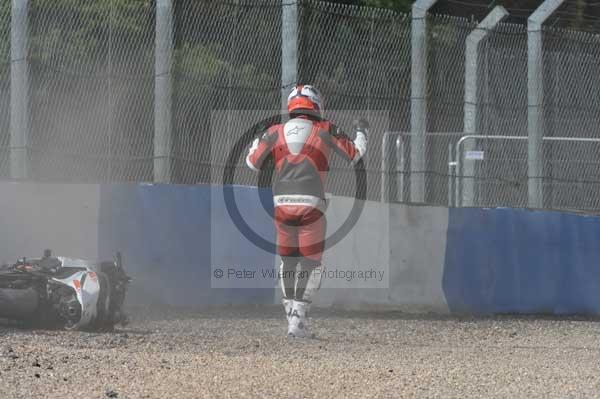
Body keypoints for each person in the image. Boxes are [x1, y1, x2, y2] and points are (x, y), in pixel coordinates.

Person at [246, 84, 368, 338]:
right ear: (315, 105)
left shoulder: (275, 131)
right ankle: (298, 322)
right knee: (311, 263)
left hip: (281, 203)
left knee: (288, 261)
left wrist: (257, 139)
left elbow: (252, 163)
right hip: (312, 203)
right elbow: (356, 154)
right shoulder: (326, 129)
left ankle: (291, 316)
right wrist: (362, 130)